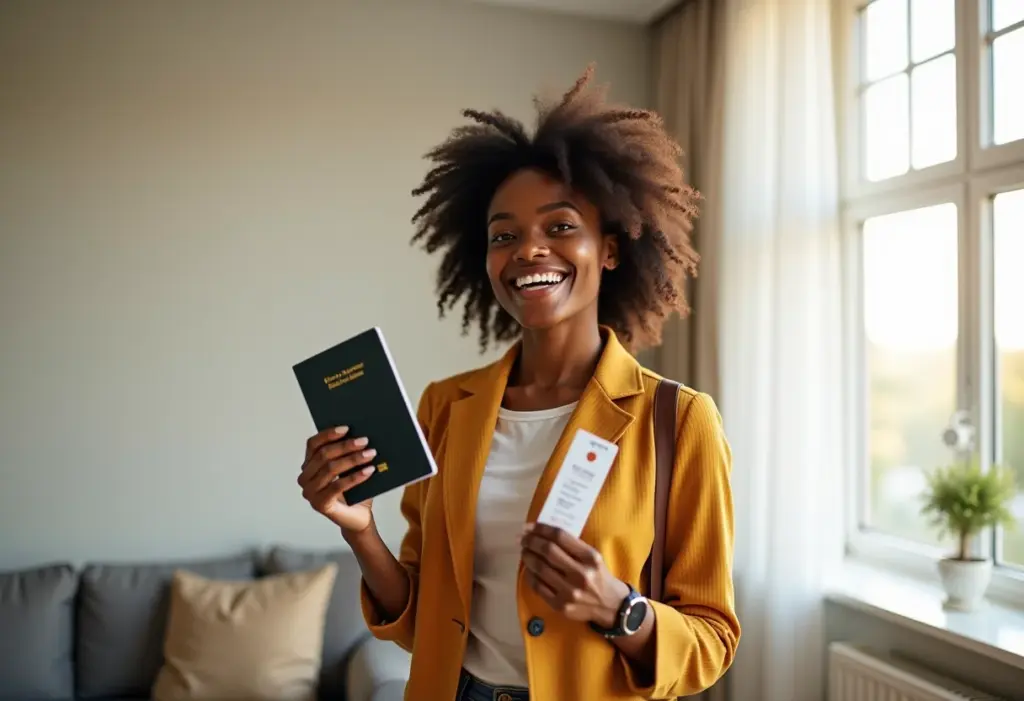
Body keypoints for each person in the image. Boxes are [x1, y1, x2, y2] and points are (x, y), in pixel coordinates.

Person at [298, 66, 740, 701]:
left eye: (560, 227)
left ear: (609, 249)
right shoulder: (445, 407)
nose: (528, 250)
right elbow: (423, 622)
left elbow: (713, 638)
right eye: (504, 235)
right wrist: (358, 528)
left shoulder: (679, 420)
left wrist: (622, 609)